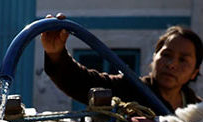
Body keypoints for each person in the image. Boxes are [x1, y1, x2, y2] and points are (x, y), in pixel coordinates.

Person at [41, 13, 203, 115]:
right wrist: (55, 53)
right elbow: (82, 81)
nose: (172, 64)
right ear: (154, 57)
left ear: (195, 72)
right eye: (166, 55)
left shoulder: (197, 110)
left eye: (183, 60)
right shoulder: (130, 88)